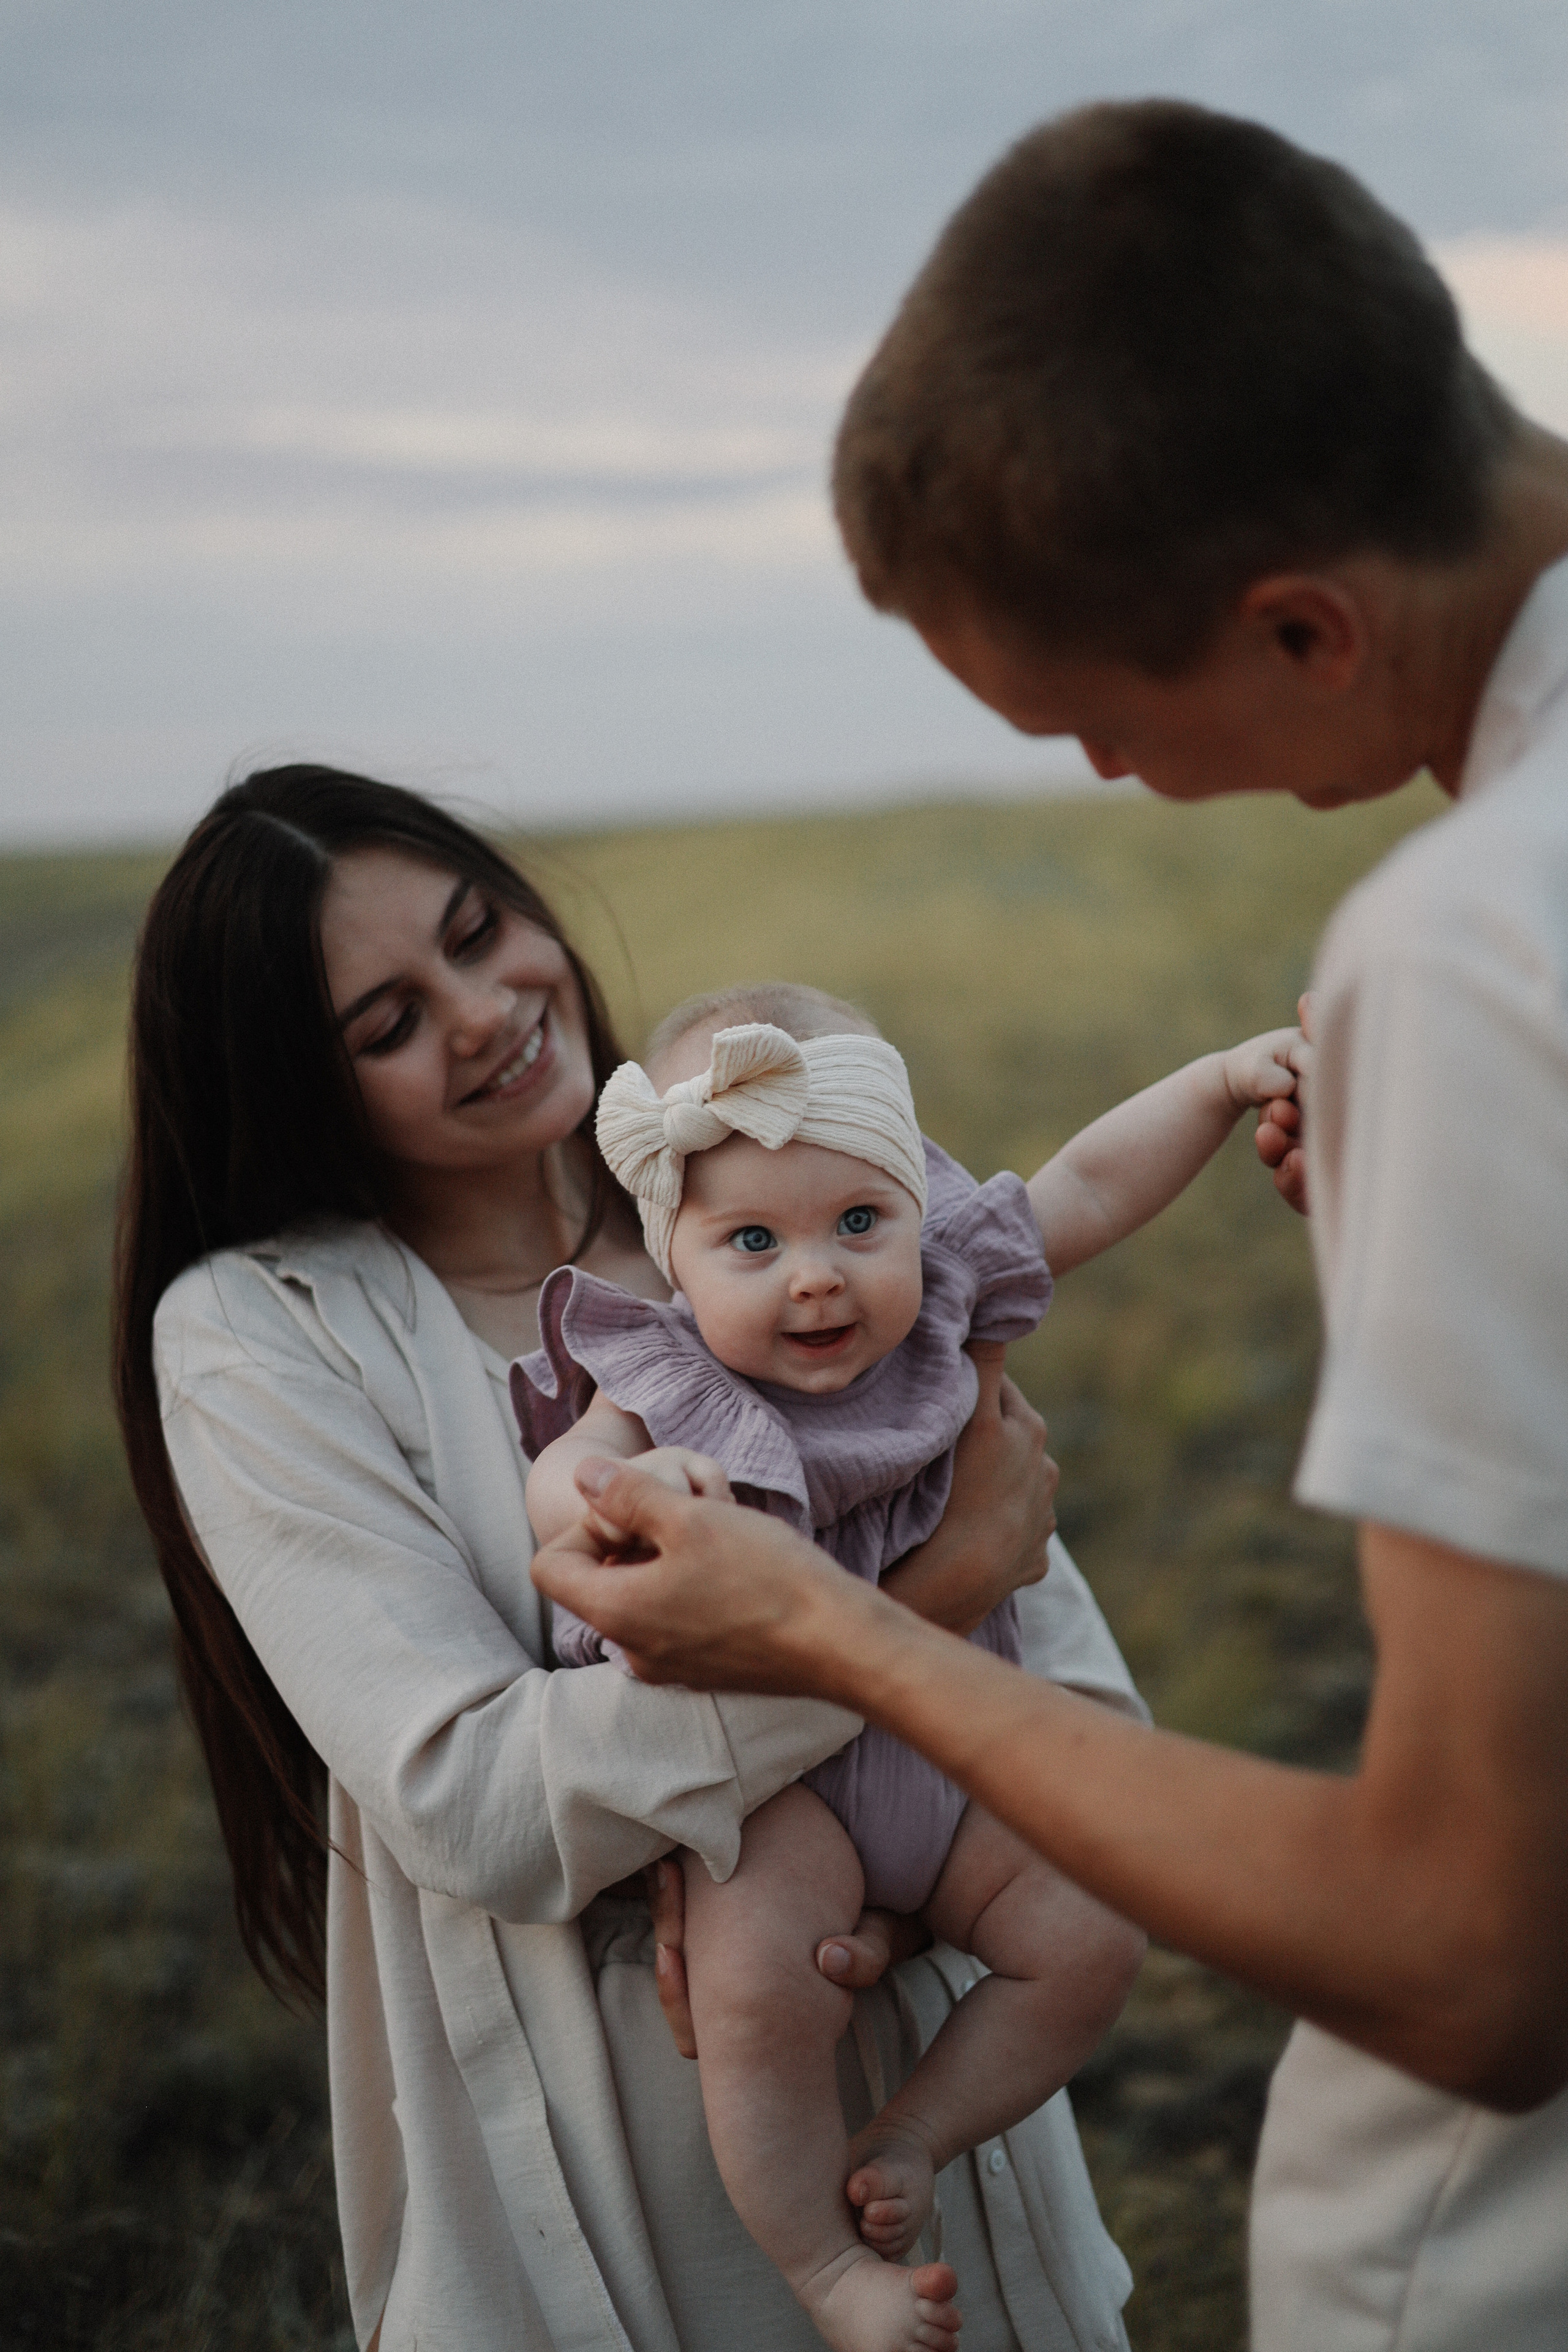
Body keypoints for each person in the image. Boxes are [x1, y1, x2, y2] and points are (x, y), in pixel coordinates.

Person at [529, 100, 1568, 2352]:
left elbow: (1478, 1960)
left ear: (1301, 624)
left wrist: (843, 1639)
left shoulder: (1484, 945)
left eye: (1099, 721)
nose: (1107, 780)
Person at [113, 763, 1153, 2352]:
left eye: (478, 932)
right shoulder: (266, 1335)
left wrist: (920, 1891)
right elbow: (470, 1796)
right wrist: (921, 1612)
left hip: (948, 2080)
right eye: (388, 1023)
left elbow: (1070, 1690)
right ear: (295, 1086)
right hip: (621, 2151)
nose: (484, 1013)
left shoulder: (760, 1215)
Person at [518, 980, 1304, 2352]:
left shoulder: (944, 1301)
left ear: (915, 1207)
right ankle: (829, 2271)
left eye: (858, 1222)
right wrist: (624, 1495)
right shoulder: (671, 1375)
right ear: (676, 1257)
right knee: (753, 1999)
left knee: (1090, 1926)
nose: (816, 1274)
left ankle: (915, 2132)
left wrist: (1220, 1079)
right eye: (752, 1241)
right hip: (786, 1797)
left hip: (949, 1747)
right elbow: (565, 1469)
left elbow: (1089, 1186)